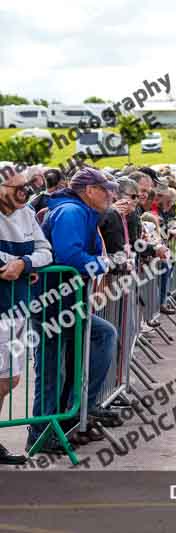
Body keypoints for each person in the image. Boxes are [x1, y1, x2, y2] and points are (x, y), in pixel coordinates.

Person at [34, 167, 121, 452]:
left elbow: (82, 254)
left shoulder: (82, 212)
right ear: (90, 191)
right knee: (51, 371)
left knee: (102, 335)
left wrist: (98, 262)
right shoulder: (71, 212)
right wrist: (102, 264)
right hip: (52, 301)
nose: (111, 196)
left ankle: (77, 412)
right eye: (105, 190)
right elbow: (69, 255)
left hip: (68, 300)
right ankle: (43, 433)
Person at [0, 165, 53, 464]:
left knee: (9, 379)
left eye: (26, 187)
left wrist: (24, 264)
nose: (24, 193)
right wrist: (21, 264)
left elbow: (46, 252)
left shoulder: (27, 214)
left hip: (17, 307)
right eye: (17, 188)